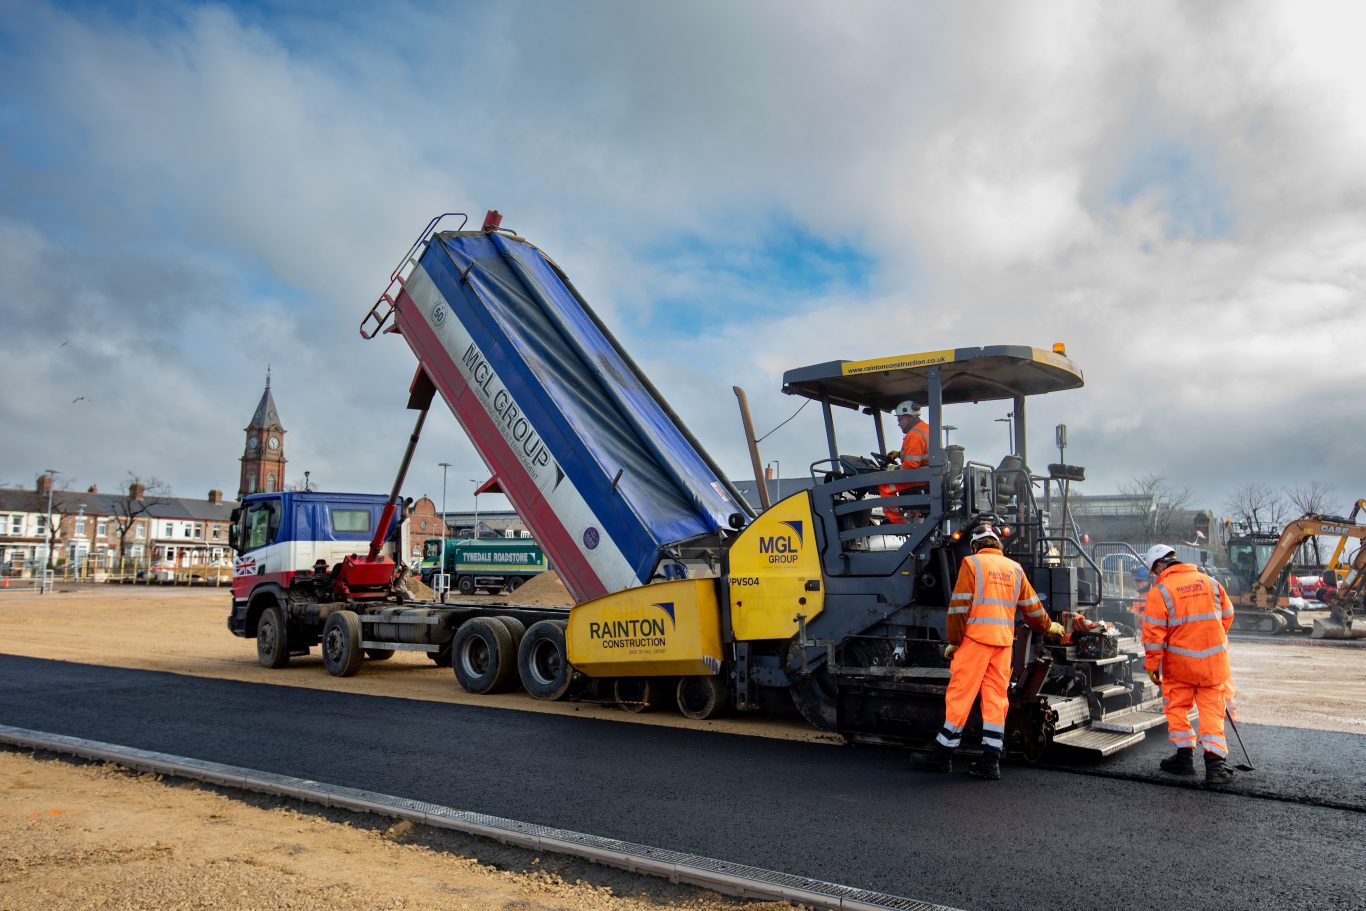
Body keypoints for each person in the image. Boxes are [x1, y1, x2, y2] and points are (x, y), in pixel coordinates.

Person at [914, 522, 1064, 779]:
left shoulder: (972, 564)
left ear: (975, 545)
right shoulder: (1014, 569)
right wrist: (1049, 626)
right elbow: (1032, 607)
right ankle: (991, 761)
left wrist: (954, 641)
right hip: (1002, 645)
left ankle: (942, 755)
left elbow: (959, 608)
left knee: (960, 696)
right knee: (996, 700)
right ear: (997, 544)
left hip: (975, 642)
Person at [1141, 543, 1236, 785]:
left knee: (1176, 708)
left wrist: (1152, 666)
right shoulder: (1211, 583)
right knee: (1212, 712)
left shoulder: (1160, 592)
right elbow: (1227, 616)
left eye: (1154, 571)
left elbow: (1153, 635)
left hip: (1180, 666)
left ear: (1159, 566)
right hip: (1213, 664)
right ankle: (1215, 766)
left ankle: (1184, 759)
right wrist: (1212, 639)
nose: (1155, 576)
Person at [879, 400, 929, 523]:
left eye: (899, 419)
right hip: (928, 475)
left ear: (908, 417)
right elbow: (920, 454)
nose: (898, 424)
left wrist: (892, 469)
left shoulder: (915, 434)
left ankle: (899, 523)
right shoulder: (926, 429)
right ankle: (912, 518)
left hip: (921, 477)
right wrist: (899, 454)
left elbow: (911, 465)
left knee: (885, 487)